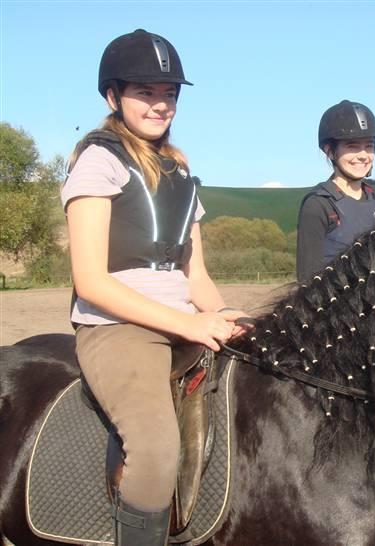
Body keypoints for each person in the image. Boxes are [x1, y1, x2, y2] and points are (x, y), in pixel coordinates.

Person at [61, 29, 250, 545]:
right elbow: (91, 281)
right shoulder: (97, 161)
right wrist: (189, 322)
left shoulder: (182, 174)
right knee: (155, 447)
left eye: (168, 93)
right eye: (145, 91)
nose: (160, 103)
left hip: (182, 321)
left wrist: (233, 317)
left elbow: (197, 275)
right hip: (119, 329)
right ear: (113, 96)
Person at [296, 100, 375, 281]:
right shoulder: (319, 205)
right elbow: (307, 281)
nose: (363, 155)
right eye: (352, 146)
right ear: (330, 151)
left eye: (369, 146)